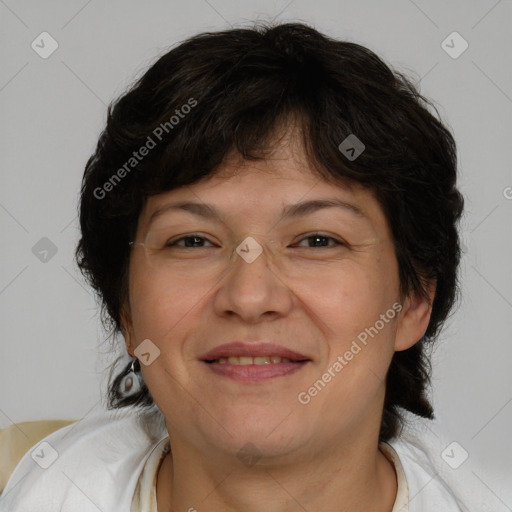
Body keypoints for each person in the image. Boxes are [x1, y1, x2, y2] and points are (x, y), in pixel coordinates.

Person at [0, 22, 470, 511]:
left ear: (414, 300)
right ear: (126, 308)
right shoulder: (31, 483)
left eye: (316, 240)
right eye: (193, 241)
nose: (249, 297)